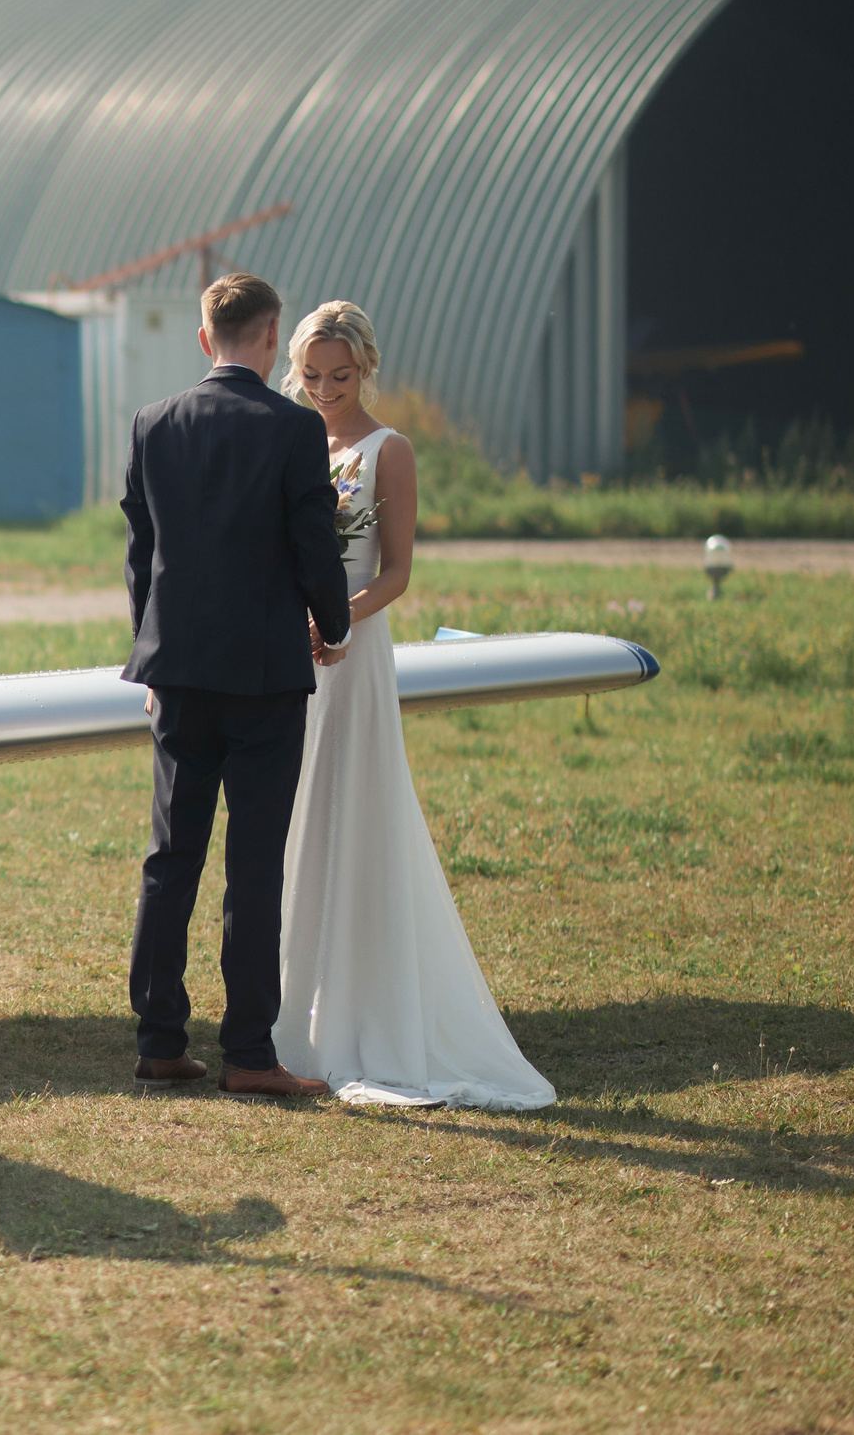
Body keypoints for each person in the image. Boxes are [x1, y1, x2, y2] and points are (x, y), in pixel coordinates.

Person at [272, 302, 556, 1109]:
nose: (325, 389)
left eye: (340, 375)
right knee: (297, 816)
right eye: (312, 375)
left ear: (365, 369)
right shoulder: (293, 441)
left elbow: (396, 573)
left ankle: (374, 1014)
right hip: (292, 657)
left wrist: (336, 621)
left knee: (358, 806)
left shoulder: (386, 449)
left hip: (353, 653)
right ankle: (302, 1012)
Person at [119, 273, 350, 1099]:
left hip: (176, 671)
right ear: (270, 333)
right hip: (262, 677)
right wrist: (336, 621)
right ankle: (249, 1052)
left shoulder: (153, 422)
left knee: (169, 858)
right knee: (253, 865)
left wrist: (149, 649)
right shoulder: (294, 428)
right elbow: (312, 542)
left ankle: (158, 1040)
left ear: (205, 338)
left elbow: (142, 553)